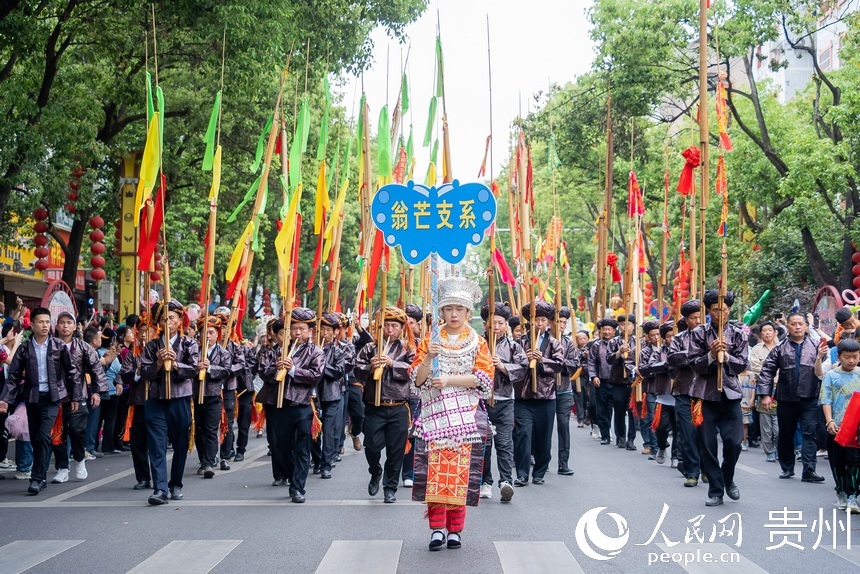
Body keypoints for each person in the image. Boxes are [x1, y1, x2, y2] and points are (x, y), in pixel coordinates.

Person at [409, 276, 493, 551]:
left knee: (459, 473)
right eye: (448, 309)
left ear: (468, 312)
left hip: (465, 416)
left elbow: (484, 380)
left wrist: (449, 381)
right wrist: (429, 358)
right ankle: (436, 529)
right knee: (436, 472)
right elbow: (418, 380)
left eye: (459, 309)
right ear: (441, 311)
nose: (454, 314)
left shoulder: (478, 342)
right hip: (434, 415)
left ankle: (455, 529)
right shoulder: (430, 341)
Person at [0, 307, 77, 495]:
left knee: (43, 435)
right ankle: (40, 477)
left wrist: (75, 396)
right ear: (32, 324)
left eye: (47, 321)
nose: (45, 325)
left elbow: (72, 372)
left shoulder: (59, 346)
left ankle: (36, 478)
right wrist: (5, 400)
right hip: (32, 398)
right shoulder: (24, 348)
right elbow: (14, 376)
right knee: (36, 438)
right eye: (40, 322)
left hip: (52, 399)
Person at [256, 308, 324, 503]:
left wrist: (293, 369)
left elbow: (315, 376)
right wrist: (276, 367)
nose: (297, 333)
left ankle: (298, 487)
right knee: (281, 446)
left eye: (302, 329)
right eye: (293, 328)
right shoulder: (276, 350)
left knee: (303, 447)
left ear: (309, 330)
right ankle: (290, 473)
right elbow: (263, 372)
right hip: (279, 405)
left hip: (302, 405)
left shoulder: (315, 351)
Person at [689, 290, 749, 506]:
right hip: (704, 395)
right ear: (708, 311)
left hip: (730, 394)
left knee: (734, 443)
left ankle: (728, 477)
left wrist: (727, 356)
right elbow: (695, 365)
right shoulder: (698, 333)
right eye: (715, 310)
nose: (720, 314)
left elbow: (742, 364)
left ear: (729, 309)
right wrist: (711, 355)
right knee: (707, 444)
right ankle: (715, 490)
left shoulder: (738, 333)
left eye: (723, 309)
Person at [353, 307, 415, 503]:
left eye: (394, 326)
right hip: (374, 405)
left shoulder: (408, 348)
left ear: (401, 328)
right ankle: (375, 471)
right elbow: (357, 369)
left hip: (398, 406)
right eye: (386, 325)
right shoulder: (370, 347)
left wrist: (392, 364)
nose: (389, 330)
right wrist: (371, 366)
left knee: (396, 451)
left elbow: (415, 371)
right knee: (371, 446)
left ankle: (390, 488)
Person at [140, 299, 199, 505]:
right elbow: (144, 374)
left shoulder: (189, 343)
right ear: (159, 323)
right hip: (156, 401)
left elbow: (193, 370)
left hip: (180, 400)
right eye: (164, 319)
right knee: (156, 446)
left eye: (172, 318)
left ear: (179, 321)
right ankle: (160, 489)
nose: (168, 322)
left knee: (180, 444)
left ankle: (176, 484)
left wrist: (175, 364)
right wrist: (158, 363)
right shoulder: (151, 346)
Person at [756, 313, 826, 482]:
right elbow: (767, 371)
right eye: (793, 324)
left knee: (810, 433)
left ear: (805, 326)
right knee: (786, 433)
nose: (797, 327)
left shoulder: (817, 346)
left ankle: (809, 469)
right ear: (787, 327)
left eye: (800, 323)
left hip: (810, 396)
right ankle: (787, 467)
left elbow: (825, 370)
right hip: (786, 398)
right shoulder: (780, 348)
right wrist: (765, 395)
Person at [480, 301, 527, 502]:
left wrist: (502, 365)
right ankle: (485, 481)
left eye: (500, 323)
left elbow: (523, 368)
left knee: (505, 442)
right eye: (492, 323)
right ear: (485, 325)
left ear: (506, 324)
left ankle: (506, 481)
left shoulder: (514, 346)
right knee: (484, 443)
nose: (496, 327)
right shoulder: (477, 344)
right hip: (481, 400)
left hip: (505, 400)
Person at [513, 301, 564, 486]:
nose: (540, 324)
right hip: (524, 396)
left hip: (546, 396)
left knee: (544, 436)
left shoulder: (554, 343)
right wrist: (525, 359)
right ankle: (522, 474)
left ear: (548, 323)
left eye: (543, 320)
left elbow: (560, 365)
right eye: (537, 320)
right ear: (530, 322)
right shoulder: (519, 342)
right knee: (523, 435)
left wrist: (542, 360)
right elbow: (514, 363)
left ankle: (539, 472)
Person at [51, 316, 106, 484]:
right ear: (57, 326)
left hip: (79, 394)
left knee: (76, 429)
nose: (65, 326)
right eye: (62, 323)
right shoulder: (50, 345)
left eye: (69, 323)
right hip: (55, 397)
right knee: (57, 433)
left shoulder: (83, 346)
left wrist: (96, 392)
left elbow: (96, 368)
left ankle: (80, 459)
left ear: (75, 326)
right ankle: (62, 468)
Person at [819, 338, 860, 513]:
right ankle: (841, 491)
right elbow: (826, 399)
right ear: (839, 356)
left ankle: (852, 496)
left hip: (857, 428)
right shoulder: (831, 375)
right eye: (847, 357)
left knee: (855, 461)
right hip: (837, 426)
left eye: (855, 356)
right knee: (837, 461)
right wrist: (830, 421)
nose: (851, 360)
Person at [668, 300, 702, 487]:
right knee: (687, 432)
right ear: (686, 320)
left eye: (699, 317)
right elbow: (672, 359)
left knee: (705, 433)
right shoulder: (679, 339)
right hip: (683, 390)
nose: (697, 321)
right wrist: (694, 354)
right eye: (693, 318)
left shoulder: (712, 335)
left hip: (706, 392)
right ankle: (691, 471)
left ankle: (706, 467)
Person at [193, 316, 231, 478]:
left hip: (214, 396)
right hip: (196, 396)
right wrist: (196, 367)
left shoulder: (223, 353)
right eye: (204, 332)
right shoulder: (194, 350)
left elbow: (226, 371)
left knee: (210, 430)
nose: (207, 336)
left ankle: (208, 462)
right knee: (198, 430)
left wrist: (210, 368)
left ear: (217, 334)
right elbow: (185, 368)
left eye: (210, 332)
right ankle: (203, 459)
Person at [119, 318, 152, 490]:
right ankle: (143, 477)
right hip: (138, 403)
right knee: (138, 443)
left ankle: (159, 477)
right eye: (142, 330)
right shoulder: (133, 353)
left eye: (149, 330)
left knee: (155, 443)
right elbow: (124, 374)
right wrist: (137, 372)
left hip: (157, 403)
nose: (145, 334)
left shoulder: (161, 351)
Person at [213, 307, 247, 470]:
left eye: (227, 327)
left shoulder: (234, 346)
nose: (224, 331)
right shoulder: (206, 346)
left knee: (227, 421)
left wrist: (226, 371)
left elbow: (241, 364)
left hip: (228, 388)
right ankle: (210, 456)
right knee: (209, 423)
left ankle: (225, 455)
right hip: (210, 388)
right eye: (221, 327)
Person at [313, 312, 346, 479]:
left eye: (327, 330)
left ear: (334, 332)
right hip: (311, 396)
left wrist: (320, 363)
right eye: (321, 329)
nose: (324, 333)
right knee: (312, 431)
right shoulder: (309, 349)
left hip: (331, 396)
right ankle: (317, 461)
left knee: (327, 430)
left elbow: (338, 372)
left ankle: (326, 464)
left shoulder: (338, 352)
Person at [642, 321, 676, 466]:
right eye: (669, 336)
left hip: (681, 395)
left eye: (674, 336)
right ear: (664, 338)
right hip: (663, 395)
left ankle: (676, 456)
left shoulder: (686, 348)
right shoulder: (658, 352)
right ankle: (662, 446)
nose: (672, 339)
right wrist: (667, 365)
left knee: (679, 429)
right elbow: (651, 366)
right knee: (661, 427)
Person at [554, 306, 580, 475]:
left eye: (564, 322)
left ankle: (563, 463)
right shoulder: (541, 341)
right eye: (559, 322)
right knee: (544, 427)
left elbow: (574, 364)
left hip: (564, 389)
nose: (562, 325)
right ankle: (539, 459)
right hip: (545, 392)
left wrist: (559, 362)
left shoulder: (568, 343)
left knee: (564, 425)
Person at [749, 321, 780, 462]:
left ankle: (779, 449)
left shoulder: (782, 347)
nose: (767, 333)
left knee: (779, 425)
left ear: (775, 332)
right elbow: (755, 366)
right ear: (761, 334)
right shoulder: (756, 349)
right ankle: (769, 451)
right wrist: (771, 373)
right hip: (764, 388)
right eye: (765, 330)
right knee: (766, 424)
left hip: (780, 389)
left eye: (770, 330)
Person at [401, 303, 424, 487]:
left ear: (417, 324)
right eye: (404, 322)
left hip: (416, 393)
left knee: (413, 433)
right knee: (399, 434)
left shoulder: (422, 344)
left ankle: (410, 472)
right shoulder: (394, 345)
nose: (408, 326)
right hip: (397, 394)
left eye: (411, 322)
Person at [608, 314, 638, 450]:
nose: (625, 327)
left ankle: (631, 438)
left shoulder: (639, 342)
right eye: (621, 324)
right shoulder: (613, 342)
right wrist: (619, 352)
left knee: (633, 410)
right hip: (618, 380)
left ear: (633, 325)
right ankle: (621, 436)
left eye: (628, 324)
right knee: (619, 409)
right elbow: (608, 359)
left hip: (634, 381)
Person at [588, 318, 619, 445]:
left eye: (609, 330)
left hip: (617, 382)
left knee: (612, 408)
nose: (606, 332)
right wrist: (594, 376)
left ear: (614, 331)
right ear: (600, 331)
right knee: (601, 408)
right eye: (604, 329)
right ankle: (605, 435)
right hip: (601, 381)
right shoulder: (596, 345)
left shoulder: (619, 343)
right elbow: (591, 362)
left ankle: (616, 434)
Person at [638, 320, 661, 458]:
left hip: (667, 390)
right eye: (653, 335)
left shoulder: (667, 348)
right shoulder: (645, 352)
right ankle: (654, 447)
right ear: (648, 337)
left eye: (658, 334)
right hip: (651, 388)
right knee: (652, 417)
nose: (656, 338)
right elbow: (643, 369)